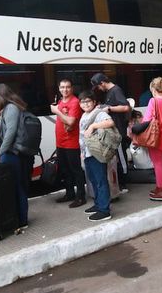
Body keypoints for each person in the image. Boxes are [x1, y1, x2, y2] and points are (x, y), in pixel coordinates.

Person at [0, 84, 30, 229]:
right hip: (7, 152)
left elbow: (10, 133)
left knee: (17, 186)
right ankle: (16, 218)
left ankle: (22, 219)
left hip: (13, 154)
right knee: (11, 186)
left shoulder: (11, 108)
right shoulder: (4, 110)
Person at [91, 73, 131, 192]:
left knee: (121, 157)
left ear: (102, 83)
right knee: (115, 158)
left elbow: (125, 107)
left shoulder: (116, 90)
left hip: (118, 131)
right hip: (113, 131)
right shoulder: (109, 92)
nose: (99, 89)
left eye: (98, 86)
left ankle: (124, 184)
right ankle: (119, 183)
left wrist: (108, 109)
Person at [78, 90, 113, 222]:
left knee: (100, 180)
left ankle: (104, 210)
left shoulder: (98, 113)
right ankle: (98, 204)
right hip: (87, 152)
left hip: (96, 152)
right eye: (82, 101)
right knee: (93, 180)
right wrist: (82, 152)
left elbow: (109, 122)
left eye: (88, 101)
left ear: (94, 102)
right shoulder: (84, 114)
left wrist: (93, 126)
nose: (85, 104)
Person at [50, 79, 85, 208]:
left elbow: (70, 122)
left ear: (72, 88)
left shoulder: (75, 102)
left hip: (71, 142)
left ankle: (81, 197)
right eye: (62, 87)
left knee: (75, 170)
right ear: (59, 88)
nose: (65, 90)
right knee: (65, 170)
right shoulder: (60, 101)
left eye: (68, 87)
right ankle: (70, 193)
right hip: (61, 142)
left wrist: (57, 111)